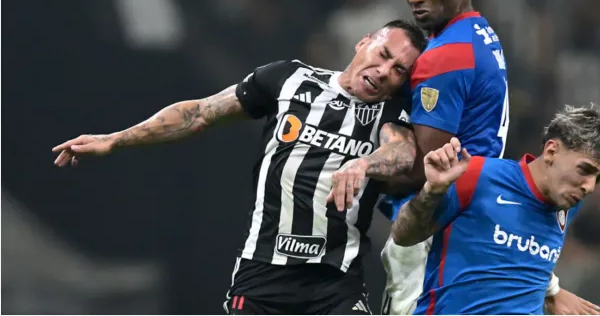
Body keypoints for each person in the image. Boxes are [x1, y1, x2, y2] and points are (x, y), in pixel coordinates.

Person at [52, 20, 426, 315]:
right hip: (261, 275)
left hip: (335, 283)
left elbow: (403, 152)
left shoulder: (390, 113)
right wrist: (117, 138)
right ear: (364, 42)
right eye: (383, 54)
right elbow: (199, 113)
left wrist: (364, 163)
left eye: (397, 70)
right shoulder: (288, 79)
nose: (384, 70)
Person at [360, 0, 592, 315]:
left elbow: (425, 169)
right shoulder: (481, 34)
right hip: (470, 224)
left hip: (434, 232)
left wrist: (362, 165)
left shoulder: (446, 55)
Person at [391, 104, 600, 315]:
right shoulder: (477, 175)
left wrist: (551, 291)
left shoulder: (569, 204)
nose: (590, 186)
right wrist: (431, 192)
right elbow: (403, 236)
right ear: (551, 152)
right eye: (585, 169)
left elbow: (517, 259)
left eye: (599, 178)